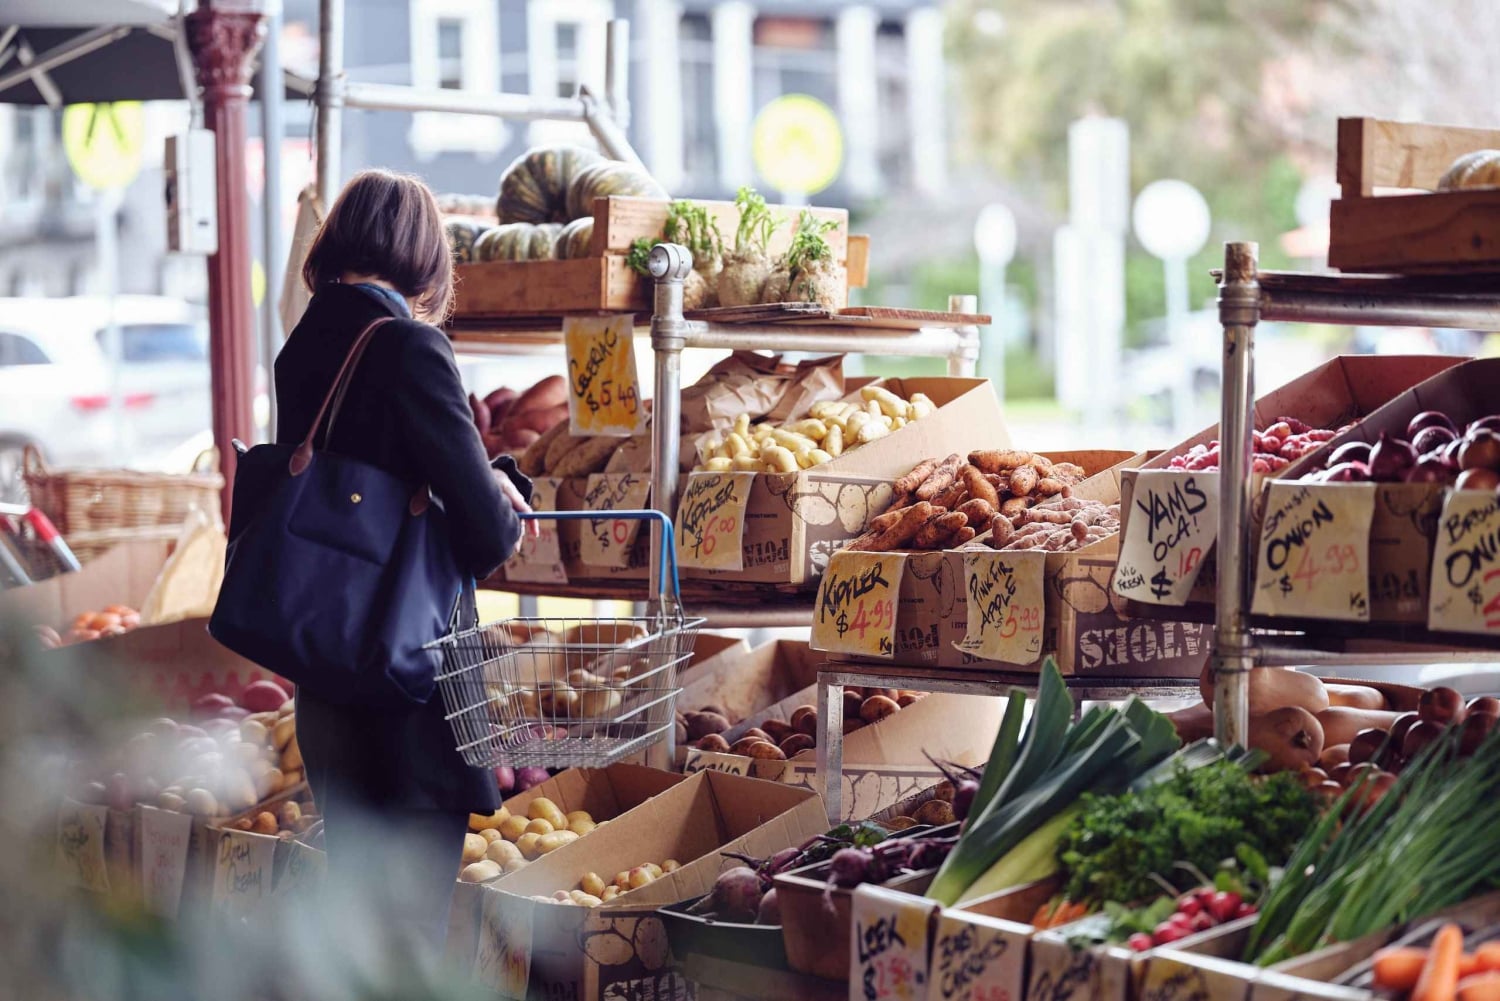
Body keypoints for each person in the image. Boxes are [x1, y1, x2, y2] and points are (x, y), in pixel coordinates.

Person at [276, 169, 535, 955]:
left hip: (326, 678)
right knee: (413, 940)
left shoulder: (306, 345)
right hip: (408, 683)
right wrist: (501, 481)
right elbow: (488, 533)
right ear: (425, 258)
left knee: (359, 927)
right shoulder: (410, 347)